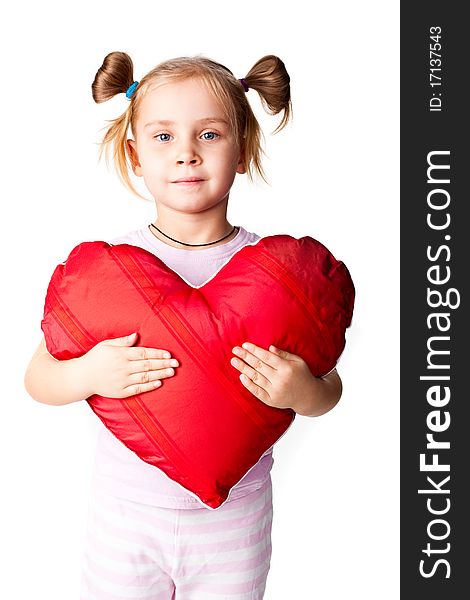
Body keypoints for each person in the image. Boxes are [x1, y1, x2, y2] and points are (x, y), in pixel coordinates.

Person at [24, 51, 343, 600]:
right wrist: (91, 373)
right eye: (163, 137)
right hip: (126, 519)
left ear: (242, 150)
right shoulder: (110, 274)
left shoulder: (276, 273)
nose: (187, 155)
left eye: (210, 135)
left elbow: (329, 385)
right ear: (135, 154)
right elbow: (38, 377)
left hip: (233, 525)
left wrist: (304, 391)